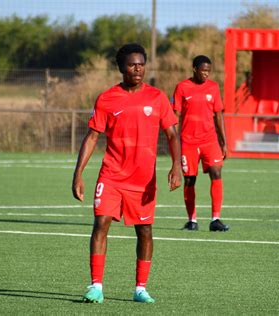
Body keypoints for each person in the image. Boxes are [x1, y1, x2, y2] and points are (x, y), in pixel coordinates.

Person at [72, 43, 182, 304]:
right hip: (111, 175)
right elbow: (92, 137)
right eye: (132, 64)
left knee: (144, 231)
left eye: (141, 64)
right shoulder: (106, 98)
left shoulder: (157, 97)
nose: (138, 68)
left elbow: (173, 134)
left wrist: (177, 165)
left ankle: (140, 288)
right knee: (101, 224)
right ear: (121, 67)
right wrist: (78, 174)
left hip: (143, 181)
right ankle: (96, 286)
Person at [172, 55, 229, 232]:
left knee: (216, 172)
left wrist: (224, 142)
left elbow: (218, 115)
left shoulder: (213, 88)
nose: (206, 74)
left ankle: (215, 219)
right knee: (190, 180)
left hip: (210, 140)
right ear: (195, 69)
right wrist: (173, 141)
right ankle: (192, 220)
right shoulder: (182, 87)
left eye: (208, 71)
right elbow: (175, 116)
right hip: (188, 142)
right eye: (203, 70)